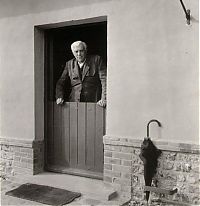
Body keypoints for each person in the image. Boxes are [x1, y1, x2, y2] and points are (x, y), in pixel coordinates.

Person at [56, 41, 107, 107]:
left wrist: (104, 99)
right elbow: (60, 83)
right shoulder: (69, 64)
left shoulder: (96, 60)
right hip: (75, 104)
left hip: (94, 103)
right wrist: (59, 97)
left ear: (85, 51)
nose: (79, 54)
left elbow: (105, 80)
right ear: (73, 53)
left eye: (81, 51)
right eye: (76, 51)